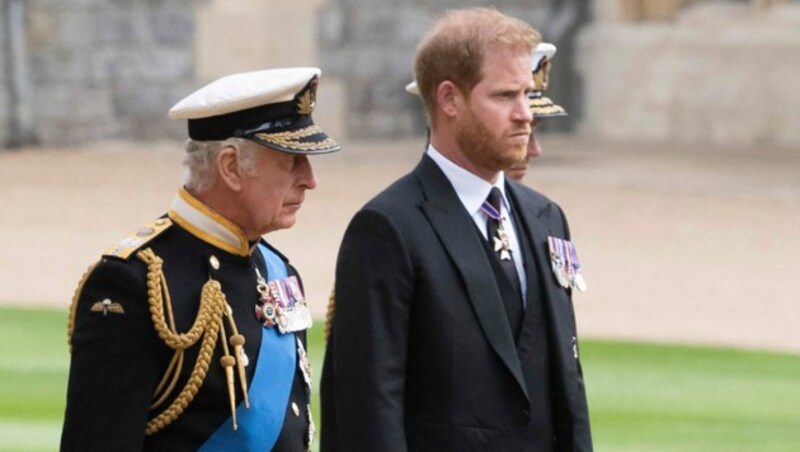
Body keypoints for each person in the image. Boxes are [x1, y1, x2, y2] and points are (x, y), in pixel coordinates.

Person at [321, 8, 591, 451]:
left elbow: (567, 387)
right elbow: (369, 409)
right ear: (449, 99)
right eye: (505, 96)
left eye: (527, 94)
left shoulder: (547, 218)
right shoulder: (388, 228)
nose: (525, 114)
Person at [61, 67, 339, 451]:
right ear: (230, 167)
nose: (310, 179)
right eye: (292, 161)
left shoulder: (277, 271)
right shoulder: (135, 282)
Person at [406, 41, 568, 182]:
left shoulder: (538, 212)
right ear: (450, 102)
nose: (534, 150)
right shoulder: (396, 215)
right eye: (513, 126)